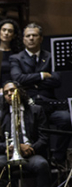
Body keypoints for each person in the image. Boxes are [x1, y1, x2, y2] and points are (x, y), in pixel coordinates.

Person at [0, 81, 51, 187]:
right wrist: (6, 148)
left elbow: (44, 138)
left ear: (20, 91)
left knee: (42, 165)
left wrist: (31, 148)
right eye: (6, 92)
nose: (9, 94)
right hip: (8, 155)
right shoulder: (0, 114)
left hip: (30, 154)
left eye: (12, 90)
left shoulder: (36, 110)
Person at [10, 23, 71, 163]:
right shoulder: (16, 58)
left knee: (67, 120)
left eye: (34, 35)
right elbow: (18, 79)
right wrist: (42, 75)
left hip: (49, 104)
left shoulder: (50, 56)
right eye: (28, 36)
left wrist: (30, 80)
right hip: (28, 106)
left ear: (41, 38)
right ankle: (37, 156)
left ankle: (58, 156)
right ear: (23, 39)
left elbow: (56, 81)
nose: (31, 38)